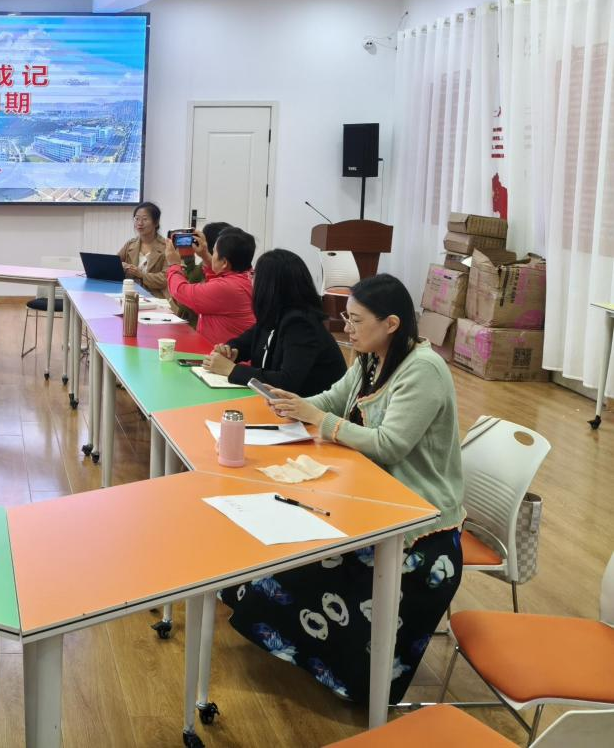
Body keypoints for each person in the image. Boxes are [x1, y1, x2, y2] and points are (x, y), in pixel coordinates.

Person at [221, 274, 464, 705]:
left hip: (420, 523)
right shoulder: (372, 357)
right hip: (375, 494)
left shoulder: (423, 369)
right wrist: (294, 404)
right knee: (289, 542)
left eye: (355, 320)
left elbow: (389, 445)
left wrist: (318, 418)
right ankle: (305, 650)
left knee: (310, 559)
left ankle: (349, 677)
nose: (346, 328)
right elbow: (333, 400)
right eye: (346, 318)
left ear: (391, 323)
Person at [200, 248, 347, 396]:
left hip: (313, 407)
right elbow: (246, 343)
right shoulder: (274, 315)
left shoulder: (300, 323)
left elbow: (286, 383)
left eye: (254, 274)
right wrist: (230, 350)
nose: (251, 279)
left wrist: (230, 369)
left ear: (269, 284)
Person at [163, 225, 256, 345]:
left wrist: (174, 264)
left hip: (222, 354)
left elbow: (180, 291)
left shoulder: (227, 288)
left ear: (224, 262)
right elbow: (219, 274)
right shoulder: (244, 276)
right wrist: (204, 254)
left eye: (215, 252)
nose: (212, 256)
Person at [169, 220, 230, 326]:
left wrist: (174, 265)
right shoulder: (206, 266)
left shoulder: (223, 276)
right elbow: (191, 280)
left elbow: (184, 300)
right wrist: (188, 258)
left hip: (198, 328)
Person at [116, 201, 170, 298]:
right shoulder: (130, 244)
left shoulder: (167, 247)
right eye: (137, 219)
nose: (140, 223)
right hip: (130, 294)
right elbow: (114, 264)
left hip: (155, 297)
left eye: (145, 219)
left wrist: (141, 275)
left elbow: (165, 278)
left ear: (156, 222)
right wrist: (125, 266)